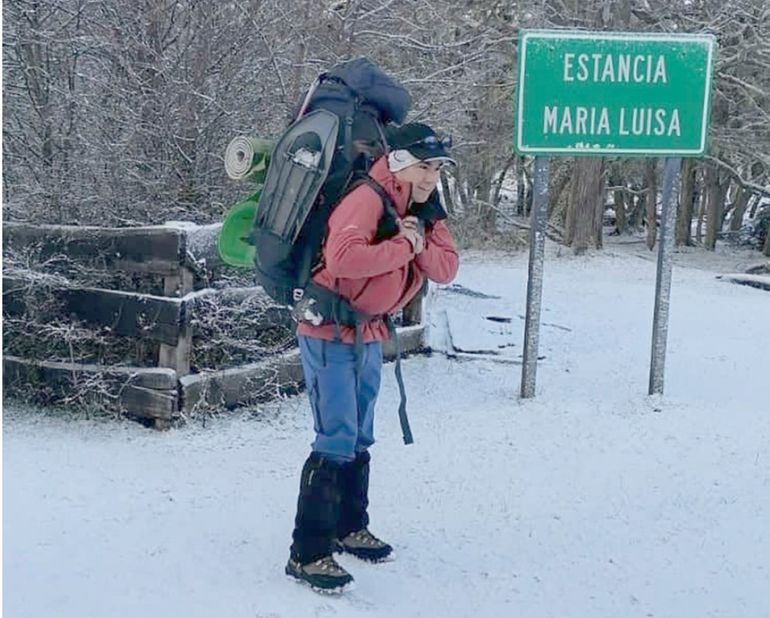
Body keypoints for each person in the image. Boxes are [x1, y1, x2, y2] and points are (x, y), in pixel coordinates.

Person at [285, 123, 460, 592]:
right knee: (336, 435)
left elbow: (446, 267)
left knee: (359, 433)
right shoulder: (366, 198)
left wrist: (418, 240)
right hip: (329, 329)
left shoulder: (423, 208)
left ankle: (349, 528)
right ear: (400, 162)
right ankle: (307, 552)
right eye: (424, 167)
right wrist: (404, 245)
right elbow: (343, 259)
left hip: (369, 333)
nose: (431, 178)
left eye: (437, 168)